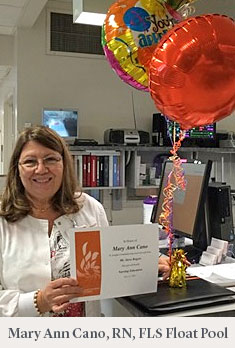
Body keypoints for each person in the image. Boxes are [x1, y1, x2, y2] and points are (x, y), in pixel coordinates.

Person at [0, 125, 171, 317]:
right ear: (17, 169)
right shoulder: (3, 221)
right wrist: (38, 302)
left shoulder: (89, 207)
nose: (41, 169)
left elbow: (110, 262)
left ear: (64, 164)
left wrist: (146, 262)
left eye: (50, 159)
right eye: (30, 162)